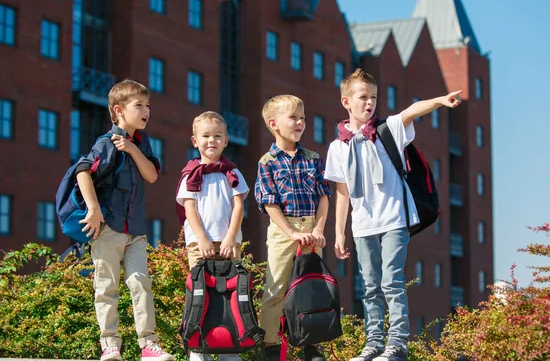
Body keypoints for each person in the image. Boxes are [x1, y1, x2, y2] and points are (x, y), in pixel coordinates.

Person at [325, 69, 462, 361]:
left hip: (394, 220)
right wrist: (338, 232)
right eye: (363, 97)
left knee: (392, 281)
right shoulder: (338, 148)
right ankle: (373, 343)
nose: (369, 103)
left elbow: (412, 110)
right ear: (346, 102)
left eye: (373, 97)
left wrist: (439, 100)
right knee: (370, 285)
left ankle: (397, 344)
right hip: (362, 226)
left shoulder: (388, 130)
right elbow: (341, 193)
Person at [75, 79, 174, 361]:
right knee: (106, 287)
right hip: (108, 229)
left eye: (148, 106)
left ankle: (148, 346)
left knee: (141, 283)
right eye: (139, 105)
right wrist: (93, 209)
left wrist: (131, 149)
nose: (146, 111)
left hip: (136, 230)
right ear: (118, 110)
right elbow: (82, 171)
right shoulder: (106, 144)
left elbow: (152, 175)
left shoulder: (141, 143)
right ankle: (110, 345)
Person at [254, 94, 330, 361]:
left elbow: (323, 196)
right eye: (294, 118)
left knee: (311, 286)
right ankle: (271, 345)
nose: (300, 123)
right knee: (275, 288)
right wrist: (291, 232)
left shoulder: (313, 158)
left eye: (303, 118)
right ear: (274, 124)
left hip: (311, 229)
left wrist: (319, 229)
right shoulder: (267, 162)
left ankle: (312, 343)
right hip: (283, 230)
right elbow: (269, 203)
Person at [175, 111, 250, 361]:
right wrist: (202, 239)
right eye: (206, 136)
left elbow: (239, 207)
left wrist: (230, 238)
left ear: (226, 141)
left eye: (218, 136)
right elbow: (190, 210)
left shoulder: (232, 173)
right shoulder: (190, 174)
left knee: (229, 295)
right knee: (201, 294)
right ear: (194, 140)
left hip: (229, 243)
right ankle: (199, 349)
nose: (212, 141)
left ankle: (229, 347)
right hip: (200, 244)